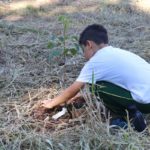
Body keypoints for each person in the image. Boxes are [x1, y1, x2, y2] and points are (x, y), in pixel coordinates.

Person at [41, 24, 150, 132]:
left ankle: (128, 119)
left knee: (95, 86)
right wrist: (80, 96)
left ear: (89, 44)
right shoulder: (118, 53)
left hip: (145, 103)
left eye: (84, 50)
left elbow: (74, 89)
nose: (84, 55)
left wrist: (51, 104)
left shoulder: (96, 60)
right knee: (95, 85)